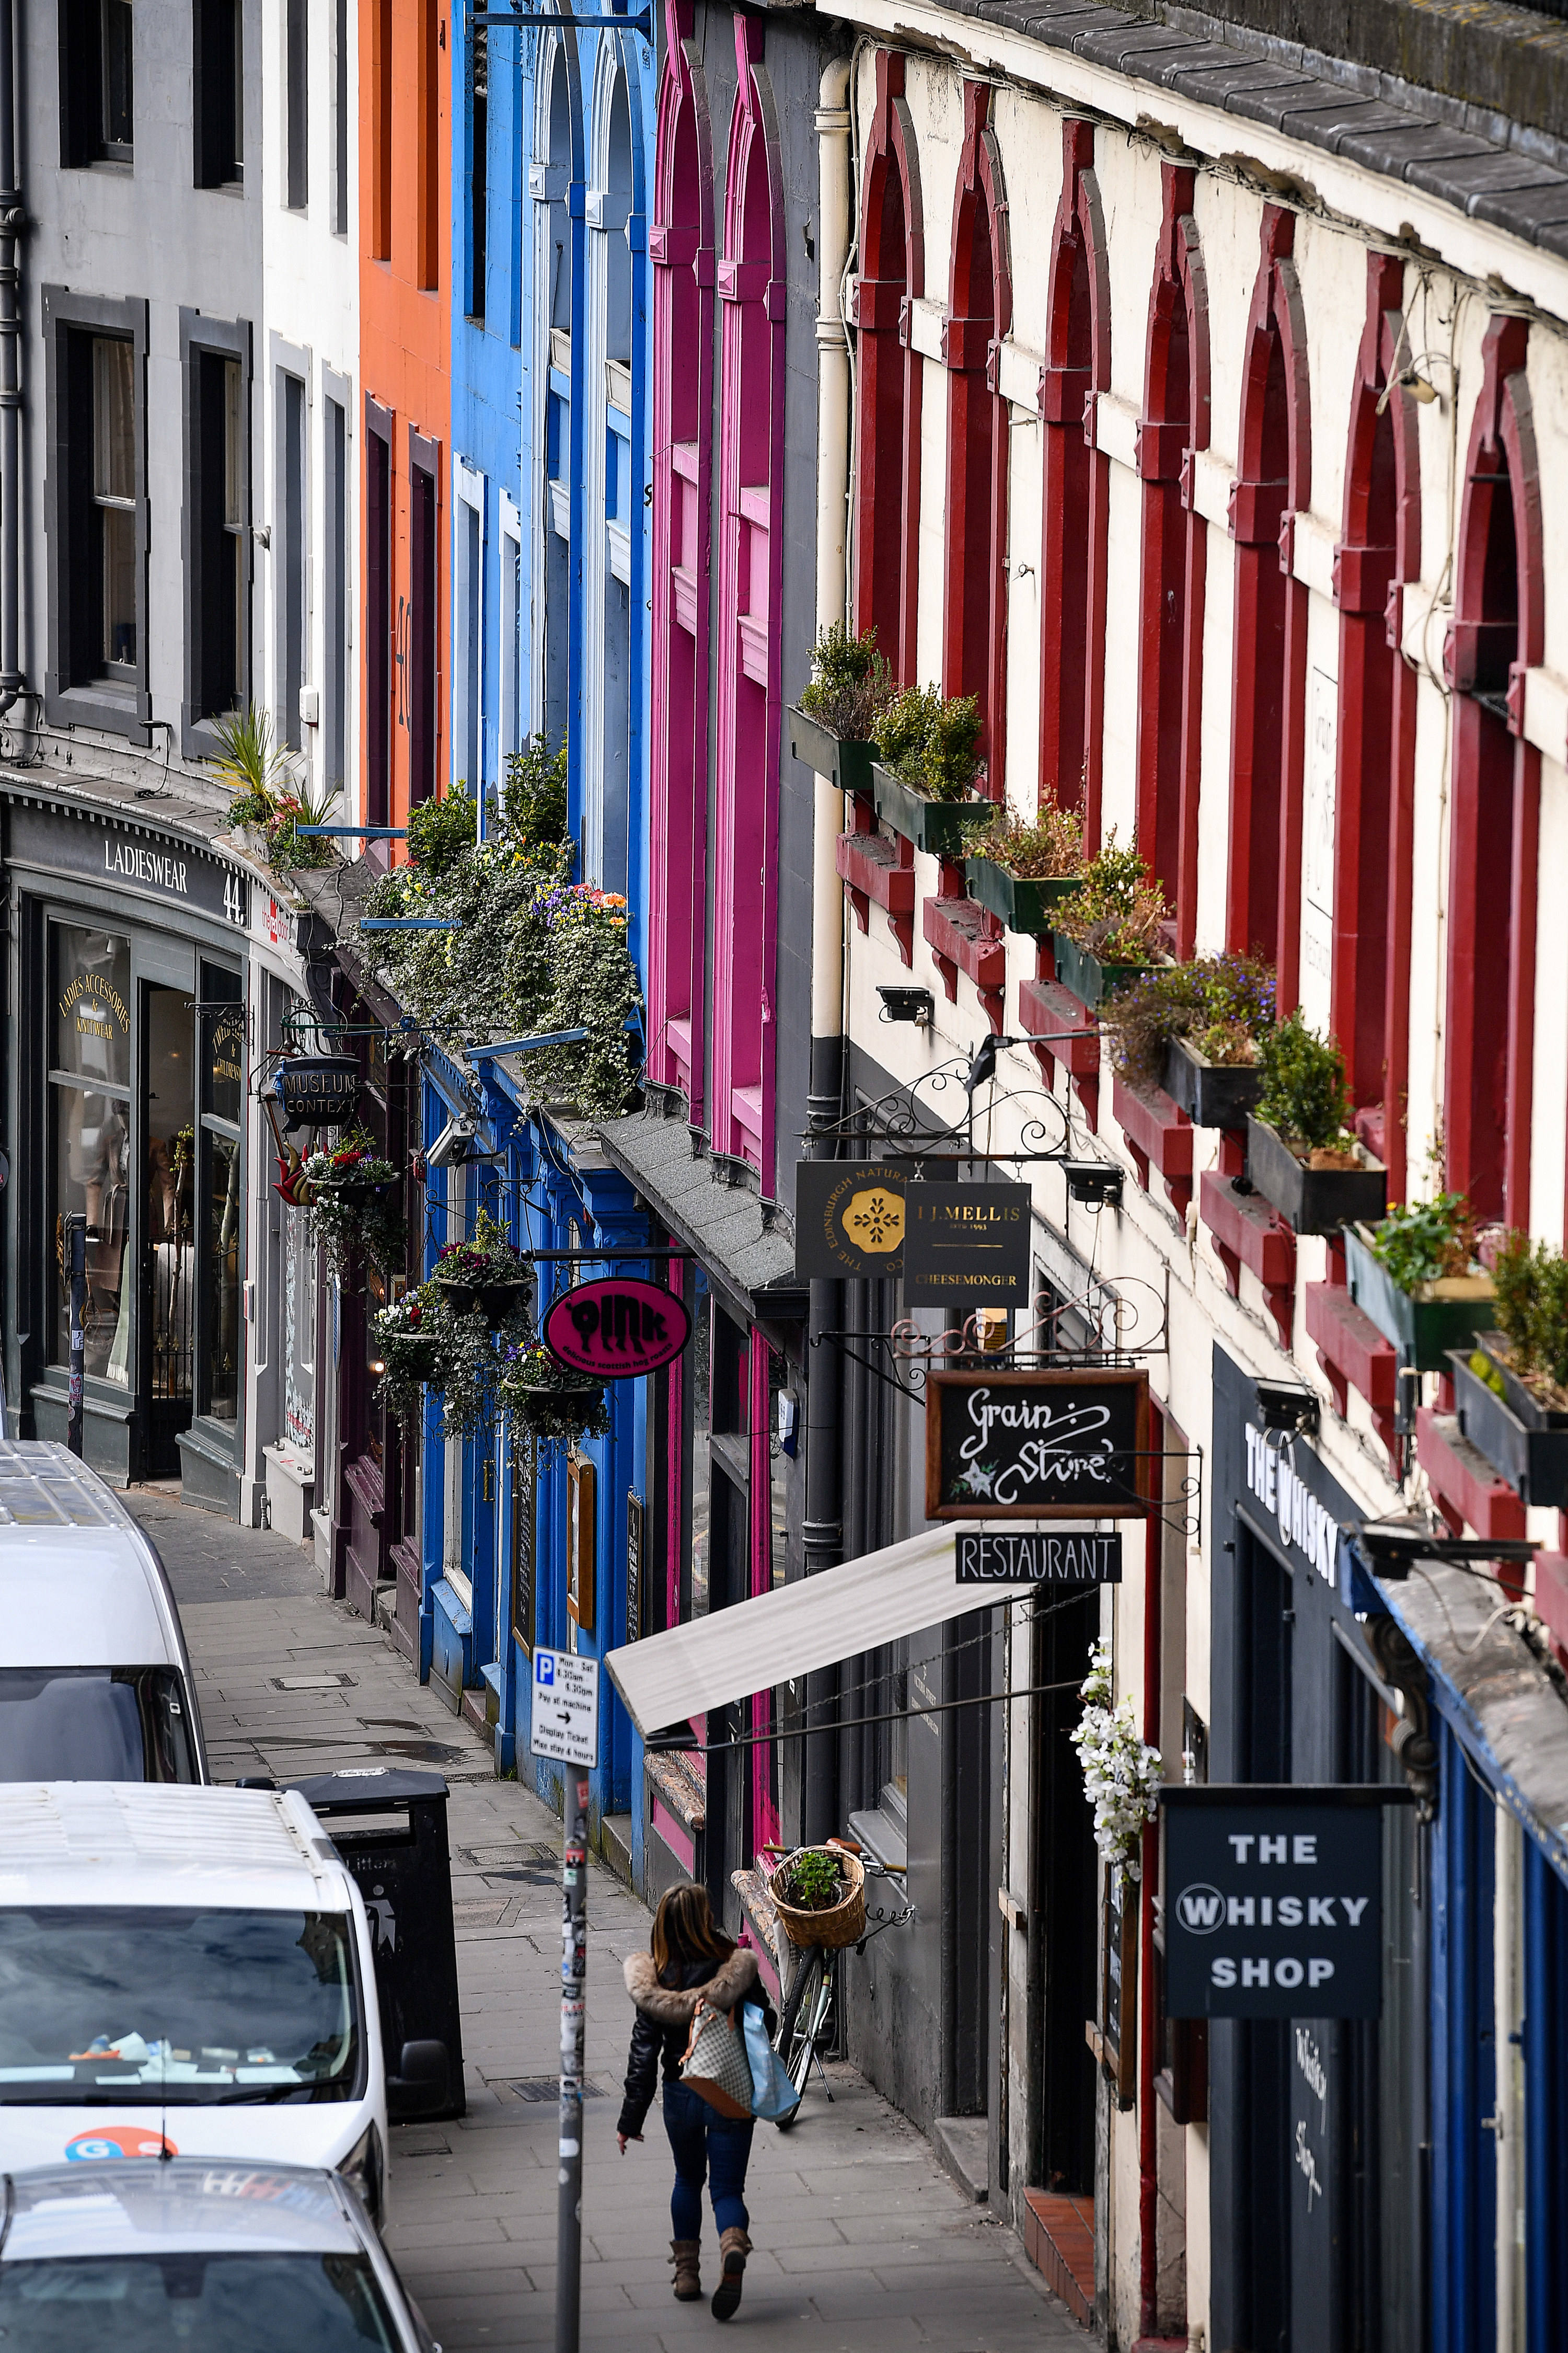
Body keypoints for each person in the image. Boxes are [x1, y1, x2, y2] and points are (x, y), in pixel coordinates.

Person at [617, 1883, 772, 2320]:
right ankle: (732, 2244)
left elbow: (643, 2057)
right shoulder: (734, 1967)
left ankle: (687, 2274)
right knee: (727, 2188)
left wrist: (630, 2119)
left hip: (681, 2093)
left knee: (687, 2179)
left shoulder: (657, 1980)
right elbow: (766, 2023)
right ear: (705, 1918)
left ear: (662, 1923)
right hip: (728, 2089)